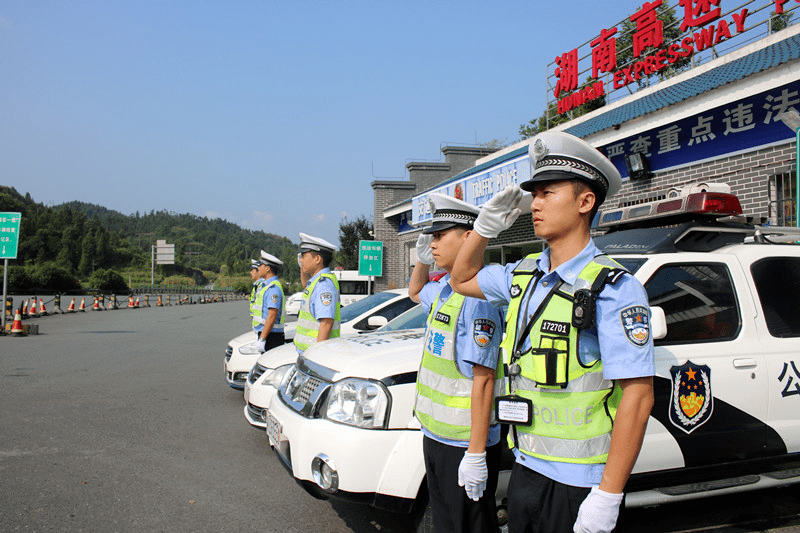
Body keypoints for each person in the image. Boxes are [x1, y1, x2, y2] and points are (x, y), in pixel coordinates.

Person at [450, 131, 655, 533]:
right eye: (535, 194)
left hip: (581, 482)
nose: (535, 204)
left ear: (585, 202)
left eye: (547, 193)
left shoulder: (612, 287)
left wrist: (608, 495)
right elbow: (461, 278)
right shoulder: (523, 273)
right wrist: (484, 228)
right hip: (526, 467)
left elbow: (638, 395)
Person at [409, 194, 504, 533]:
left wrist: (476, 453)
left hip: (464, 443)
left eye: (439, 236)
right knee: (447, 524)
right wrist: (421, 260)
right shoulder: (446, 290)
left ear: (468, 237)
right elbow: (416, 292)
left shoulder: (480, 299)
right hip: (436, 435)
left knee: (469, 527)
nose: (432, 243)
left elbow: (484, 380)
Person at [294, 233, 341, 354]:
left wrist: (317, 355)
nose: (301, 260)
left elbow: (326, 323)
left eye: (304, 256)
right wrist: (302, 267)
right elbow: (305, 285)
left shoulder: (323, 285)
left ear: (317, 259)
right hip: (307, 352)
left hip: (314, 354)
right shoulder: (316, 282)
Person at [253, 251, 286, 353]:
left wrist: (262, 339)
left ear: (267, 268)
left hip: (271, 336)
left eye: (261, 265)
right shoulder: (266, 286)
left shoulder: (273, 288)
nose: (258, 268)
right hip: (267, 333)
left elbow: (272, 315)